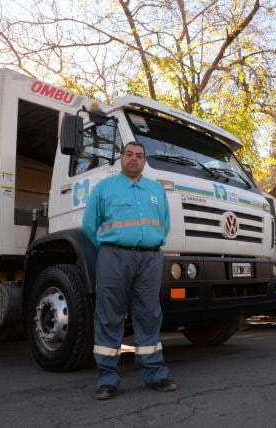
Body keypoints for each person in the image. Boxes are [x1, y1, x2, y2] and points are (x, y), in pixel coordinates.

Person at [82, 141, 176, 400]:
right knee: (109, 315)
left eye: (139, 156)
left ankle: (155, 373)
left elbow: (164, 225)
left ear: (144, 161)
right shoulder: (104, 188)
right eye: (129, 154)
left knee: (149, 315)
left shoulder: (156, 190)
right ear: (121, 158)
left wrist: (148, 243)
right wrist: (112, 246)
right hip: (113, 257)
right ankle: (107, 379)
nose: (134, 159)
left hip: (150, 259)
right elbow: (89, 225)